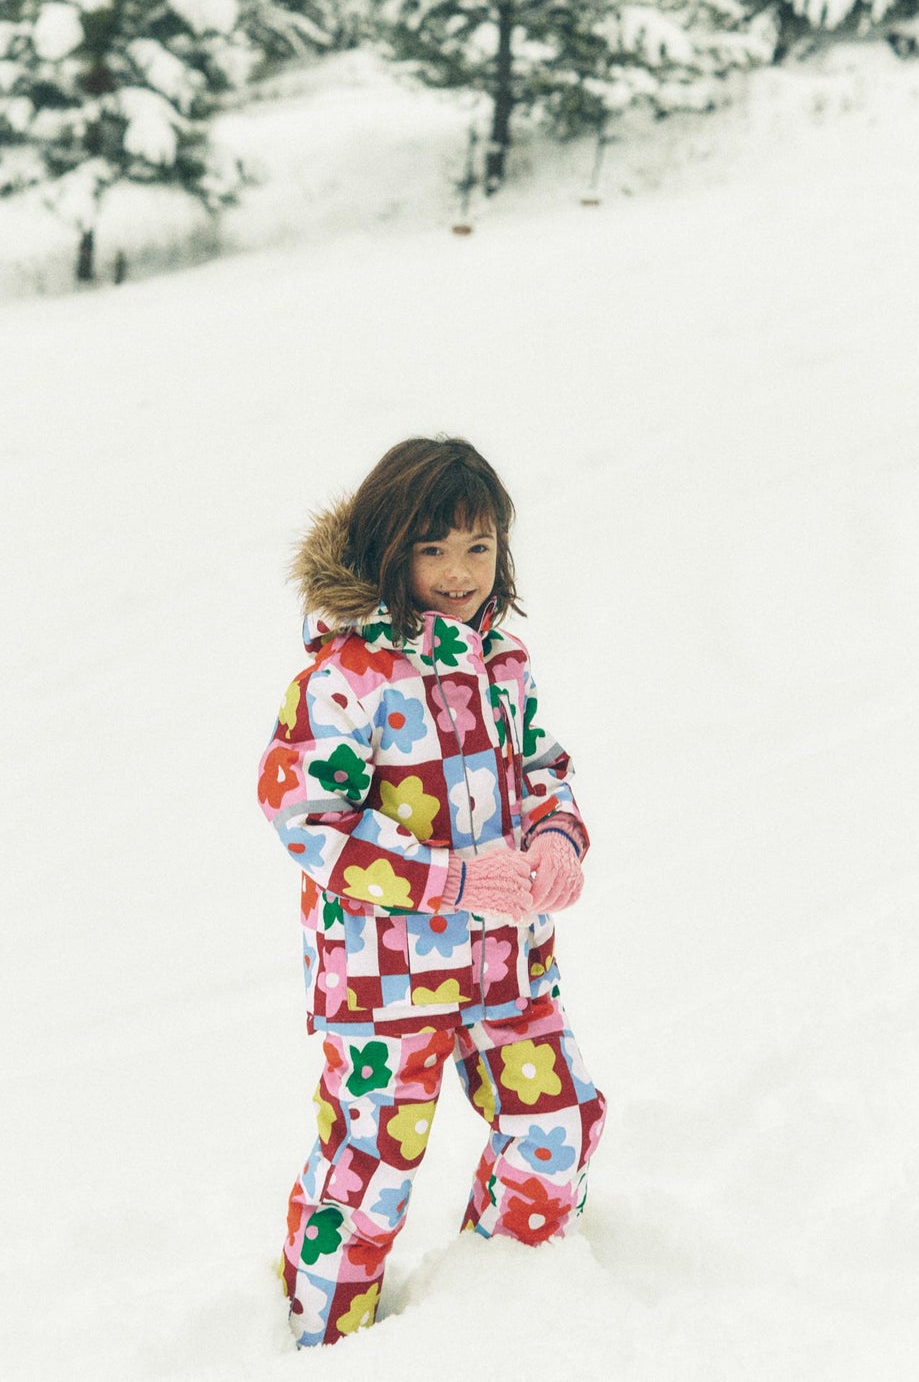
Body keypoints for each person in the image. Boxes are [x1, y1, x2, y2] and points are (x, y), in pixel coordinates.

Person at [255, 435, 606, 1349]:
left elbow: (540, 767)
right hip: (387, 985)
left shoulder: (504, 665)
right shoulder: (345, 678)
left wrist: (557, 836)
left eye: (478, 548)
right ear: (388, 547)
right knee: (369, 1172)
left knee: (556, 1124)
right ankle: (321, 1346)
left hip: (506, 965)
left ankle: (488, 1316)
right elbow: (306, 815)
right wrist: (448, 878)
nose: (459, 572)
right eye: (433, 548)